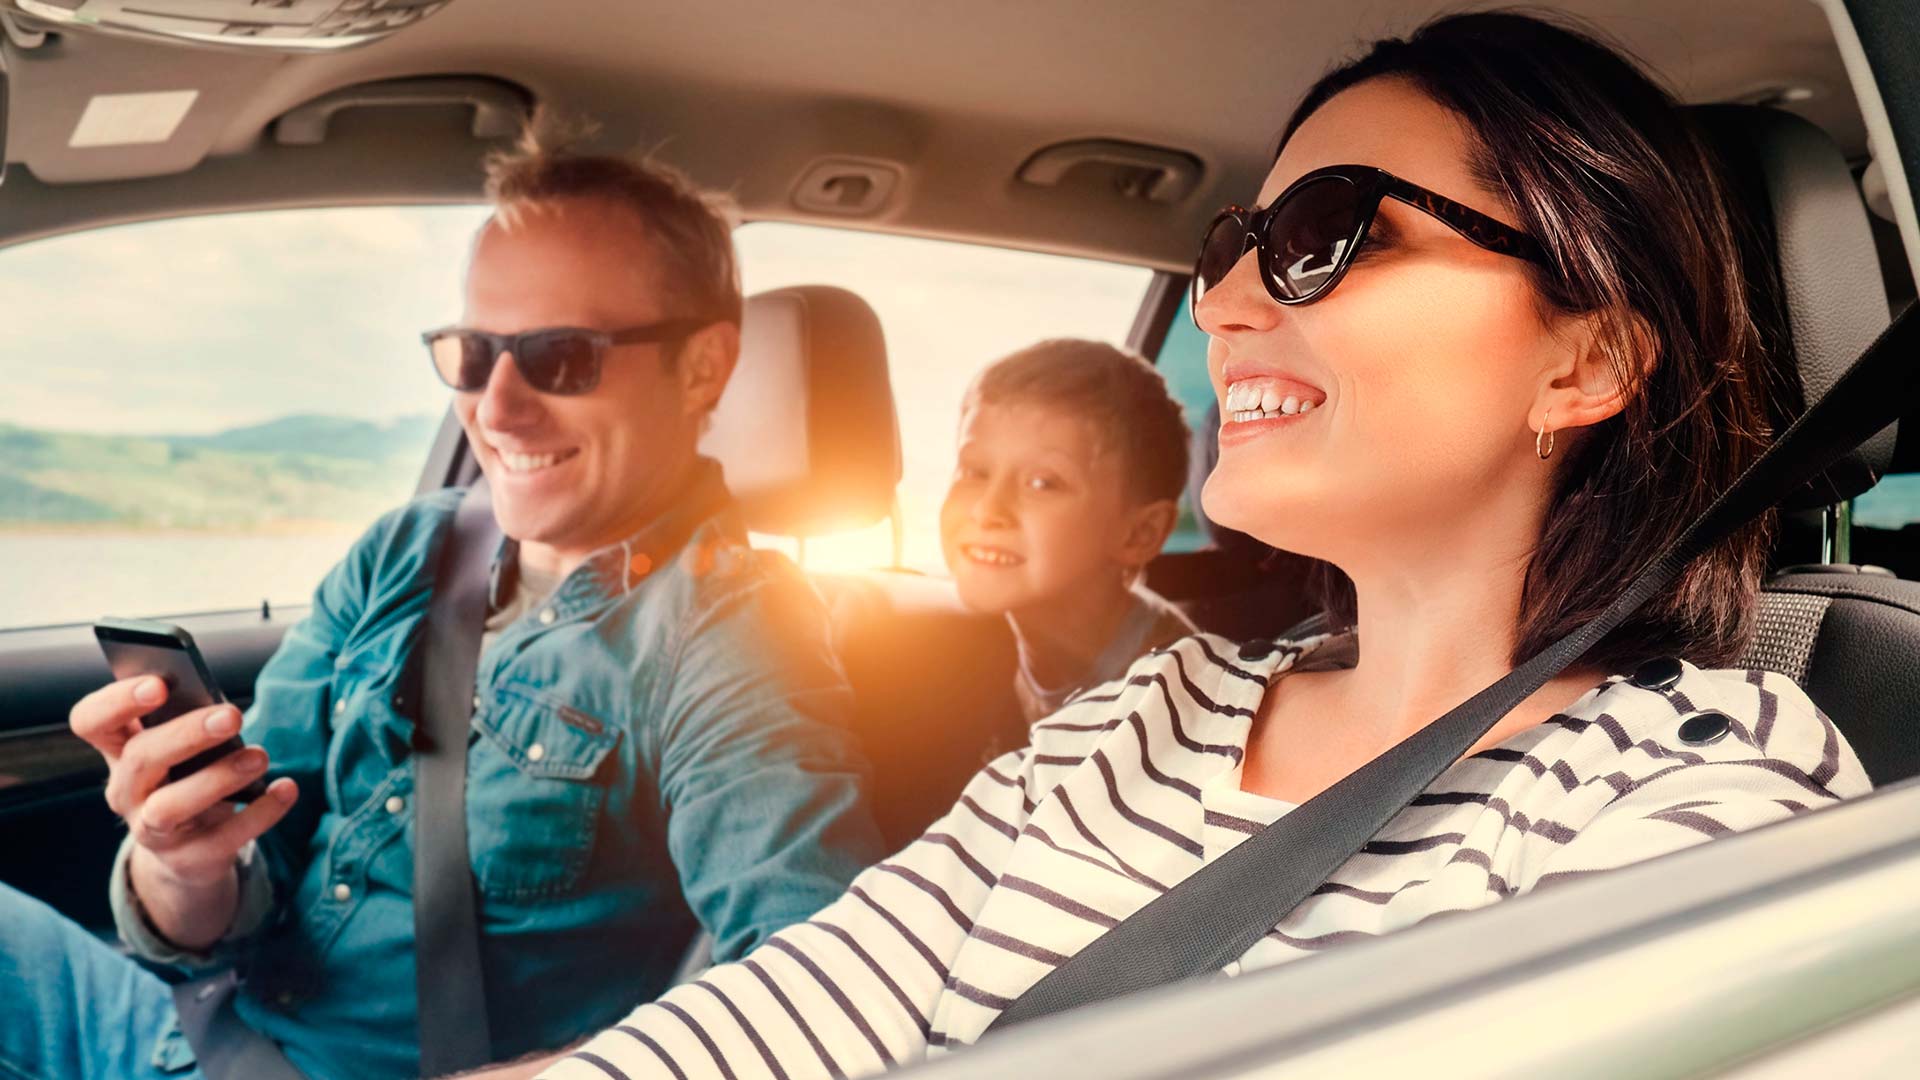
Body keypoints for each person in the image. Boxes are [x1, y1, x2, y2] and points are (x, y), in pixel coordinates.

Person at [486, 13, 1873, 1079]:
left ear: (1588, 359)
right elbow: (757, 1032)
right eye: (1231, 246)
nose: (1223, 305)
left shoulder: (1692, 796)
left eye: (1327, 236)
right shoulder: (1141, 720)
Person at [0, 120, 888, 1079]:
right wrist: (178, 860)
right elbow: (249, 879)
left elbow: (814, 989)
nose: (496, 409)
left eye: (561, 356)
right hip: (195, 1034)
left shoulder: (729, 634)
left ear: (706, 366)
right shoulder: (406, 548)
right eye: (475, 352)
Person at [940, 340, 1197, 724]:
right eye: (974, 472)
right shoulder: (979, 647)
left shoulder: (1171, 696)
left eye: (1042, 483)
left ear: (1139, 534)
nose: (987, 510)